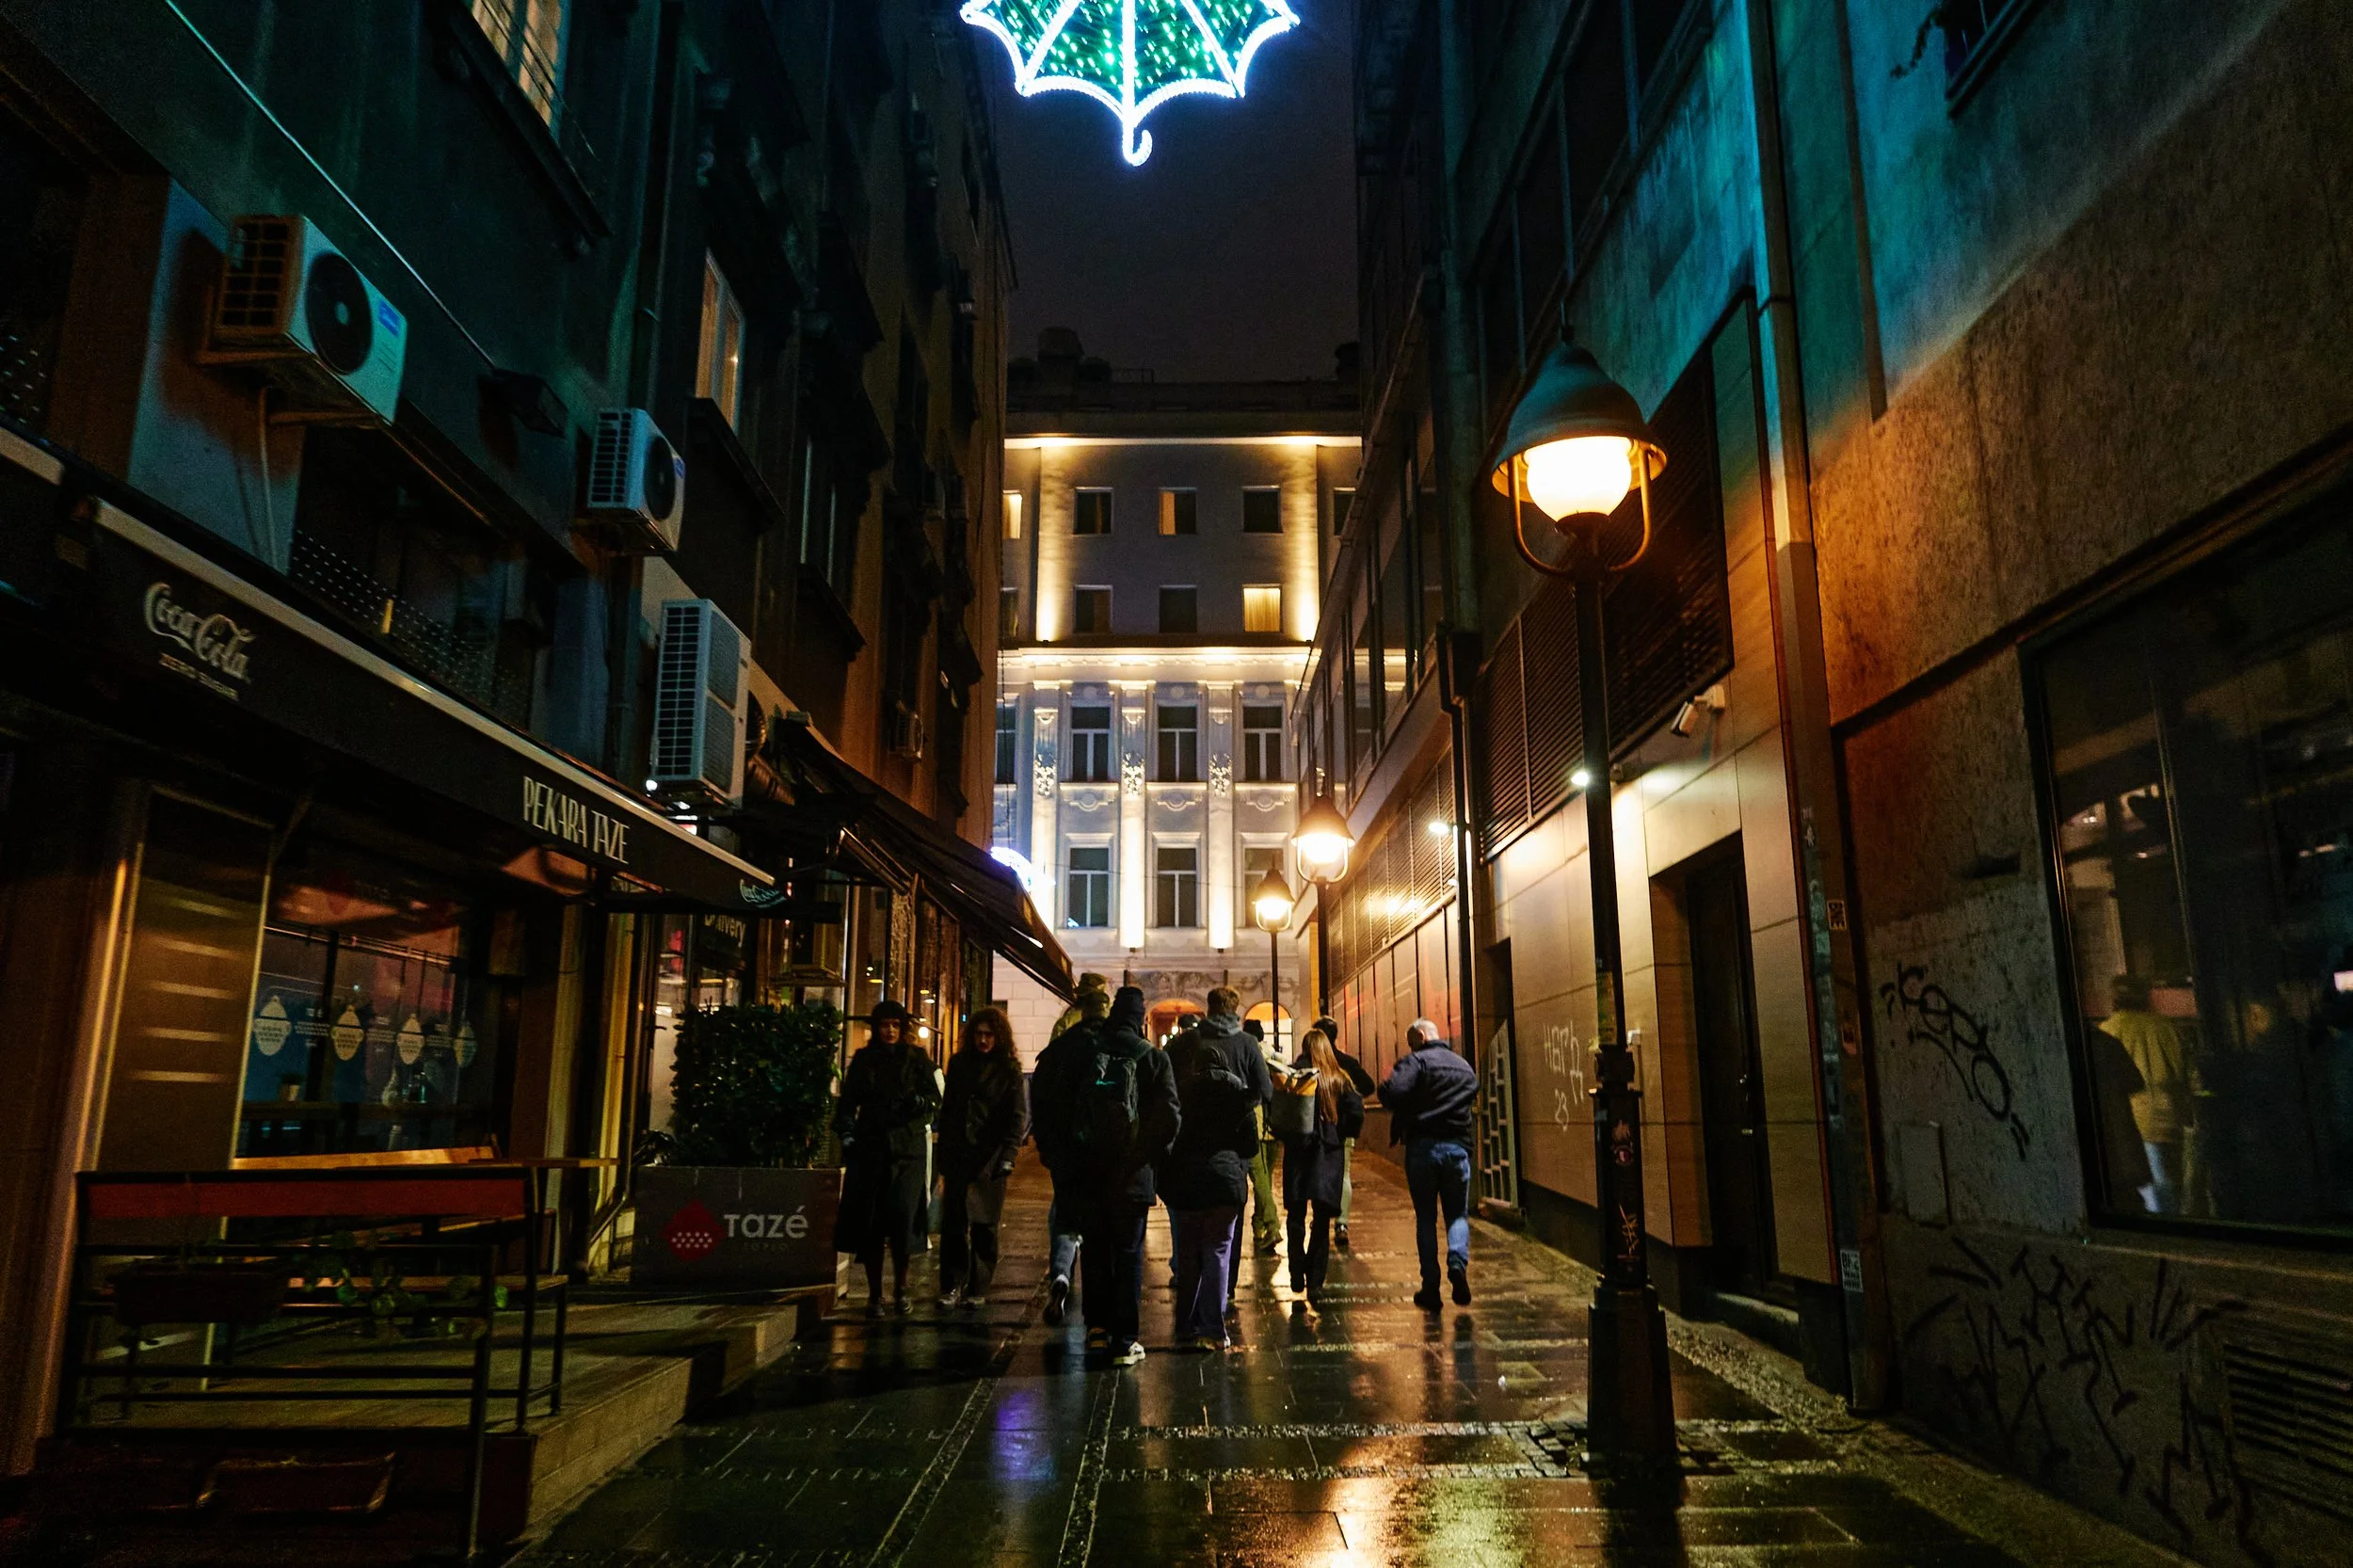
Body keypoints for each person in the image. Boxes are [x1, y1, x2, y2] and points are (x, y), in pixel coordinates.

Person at [1040, 984, 1177, 1364]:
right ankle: (1125, 1340)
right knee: (1129, 1254)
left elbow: (1063, 1107)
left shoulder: (1089, 1053)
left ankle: (1097, 1331)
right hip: (1132, 1179)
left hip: (1091, 1173)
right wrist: (1148, 1159)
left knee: (1096, 1251)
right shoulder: (1151, 1057)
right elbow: (1169, 1117)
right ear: (1140, 1017)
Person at [1161, 987, 1272, 1350]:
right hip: (1228, 1168)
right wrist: (1243, 1102)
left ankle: (1185, 1325)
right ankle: (1215, 1316)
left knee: (1189, 1248)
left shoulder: (1184, 1046)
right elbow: (1265, 1091)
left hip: (1185, 1169)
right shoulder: (1245, 1047)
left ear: (1209, 1008)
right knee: (1222, 1246)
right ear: (1235, 1010)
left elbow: (1164, 1088)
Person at [832, 1000, 942, 1316]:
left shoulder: (917, 1059)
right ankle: (876, 1294)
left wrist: (918, 1103)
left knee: (903, 1223)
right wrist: (849, 1135)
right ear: (876, 1027)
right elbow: (848, 1101)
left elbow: (933, 1101)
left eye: (895, 1025)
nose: (890, 1031)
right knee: (873, 1224)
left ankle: (901, 1289)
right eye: (885, 1025)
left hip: (907, 1151)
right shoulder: (865, 1060)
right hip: (872, 1150)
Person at [1380, 1017, 1479, 1310]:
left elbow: (1391, 1093)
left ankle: (1431, 1289)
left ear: (1421, 1037)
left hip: (1424, 1148)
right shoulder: (1463, 1065)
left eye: (1412, 1042)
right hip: (1458, 1149)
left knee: (1426, 1218)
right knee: (1457, 1215)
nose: (1411, 1048)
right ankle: (1458, 1264)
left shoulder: (1417, 1062)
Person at [936, 1006, 1029, 1309]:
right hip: (960, 1155)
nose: (983, 1040)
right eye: (978, 1034)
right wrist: (944, 1155)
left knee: (985, 1227)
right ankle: (952, 1284)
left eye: (989, 1034)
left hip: (989, 1158)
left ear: (998, 1037)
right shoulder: (960, 1064)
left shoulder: (1008, 1070)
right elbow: (949, 1110)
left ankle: (978, 1286)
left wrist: (1008, 1155)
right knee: (954, 1226)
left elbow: (1016, 1117)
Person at [1031, 977, 1111, 1324]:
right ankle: (1099, 1297)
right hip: (1102, 1147)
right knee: (1100, 1220)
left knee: (1064, 1213)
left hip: (1065, 1147)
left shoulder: (1059, 1044)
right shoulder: (1114, 1046)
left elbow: (1041, 1094)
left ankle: (1061, 1274)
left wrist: (1046, 1145)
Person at [1278, 1027, 1365, 1309]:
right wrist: (1340, 1134)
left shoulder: (1293, 1076)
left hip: (1297, 1154)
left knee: (1295, 1214)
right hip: (1328, 1155)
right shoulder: (1338, 1078)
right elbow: (1356, 1112)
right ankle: (1315, 1282)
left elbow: (1277, 1110)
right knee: (1322, 1219)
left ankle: (1295, 1272)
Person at [2099, 976, 2191, 1213]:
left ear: (2116, 998)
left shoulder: (2110, 1030)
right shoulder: (2167, 1026)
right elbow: (2185, 1069)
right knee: (2174, 1180)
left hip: (2139, 1121)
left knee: (2154, 1187)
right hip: (2173, 1116)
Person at [1313, 1016, 1376, 1252]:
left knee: (1317, 1172)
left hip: (1318, 1129)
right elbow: (1369, 1086)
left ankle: (1320, 1219)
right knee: (1344, 1174)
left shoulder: (1312, 1062)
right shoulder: (1346, 1062)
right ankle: (1341, 1224)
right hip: (1344, 1128)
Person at [1244, 1016, 1284, 1256]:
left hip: (1254, 1123)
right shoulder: (1275, 1056)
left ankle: (1272, 1225)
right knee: (1265, 1179)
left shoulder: (1247, 1054)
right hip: (1275, 1124)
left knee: (1259, 1177)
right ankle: (1258, 1225)